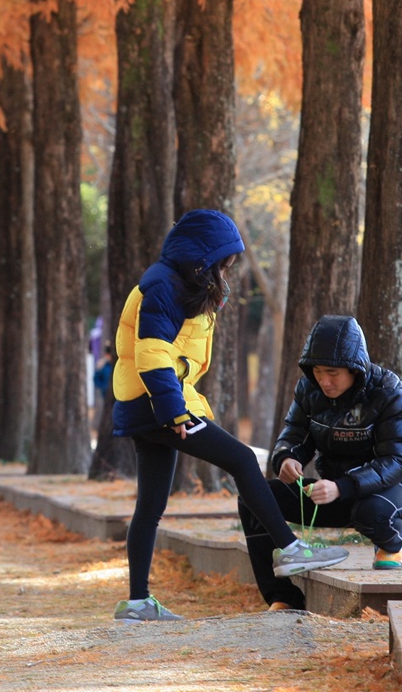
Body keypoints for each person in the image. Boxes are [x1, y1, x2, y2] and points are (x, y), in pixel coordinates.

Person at [108, 209, 347, 621]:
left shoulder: (179, 283)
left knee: (150, 506)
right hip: (158, 404)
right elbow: (152, 353)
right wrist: (174, 413)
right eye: (223, 264)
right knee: (241, 459)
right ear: (202, 258)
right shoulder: (163, 284)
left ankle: (137, 603)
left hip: (151, 402)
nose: (226, 272)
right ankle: (290, 548)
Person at [247, 314, 402, 608]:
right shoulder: (309, 390)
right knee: (254, 497)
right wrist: (287, 458)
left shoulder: (391, 394)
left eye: (332, 372)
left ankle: (390, 541)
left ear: (354, 368)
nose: (324, 380)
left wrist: (342, 486)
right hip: (334, 490)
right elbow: (294, 434)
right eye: (318, 371)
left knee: (371, 510)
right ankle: (283, 597)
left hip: (401, 487)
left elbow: (396, 462)